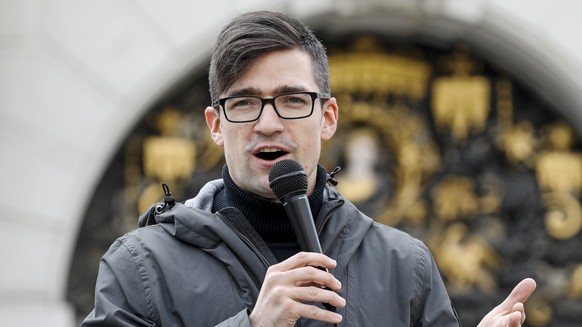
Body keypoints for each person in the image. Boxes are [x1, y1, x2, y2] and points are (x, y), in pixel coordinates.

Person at [82, 10, 536, 327]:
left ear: (328, 118)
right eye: (244, 102)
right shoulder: (141, 266)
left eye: (292, 100)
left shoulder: (403, 265)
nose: (268, 123)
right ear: (216, 125)